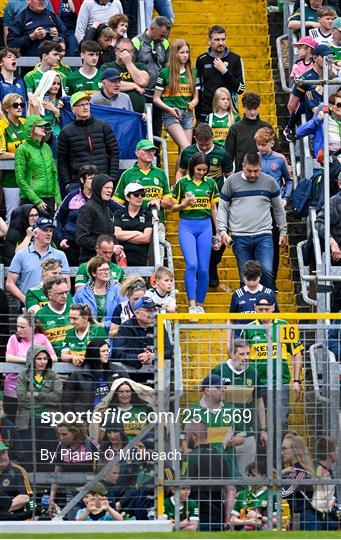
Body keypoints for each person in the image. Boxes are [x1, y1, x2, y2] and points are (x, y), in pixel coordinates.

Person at [217, 152, 287, 291]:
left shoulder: (270, 182)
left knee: (266, 271)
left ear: (260, 167)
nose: (253, 174)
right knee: (246, 276)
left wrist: (283, 231)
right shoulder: (231, 182)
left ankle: (269, 307)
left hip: (264, 235)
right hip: (239, 236)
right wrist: (223, 232)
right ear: (243, 166)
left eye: (256, 171)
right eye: (249, 171)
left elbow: (278, 209)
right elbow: (223, 208)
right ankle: (246, 310)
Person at [239, 294, 304, 437]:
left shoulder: (284, 326)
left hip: (280, 383)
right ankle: (261, 458)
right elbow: (239, 356)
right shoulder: (248, 329)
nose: (263, 312)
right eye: (260, 309)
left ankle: (277, 457)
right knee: (257, 425)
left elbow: (297, 353)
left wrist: (297, 381)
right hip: (256, 385)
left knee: (280, 422)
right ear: (255, 308)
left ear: (273, 308)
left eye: (266, 309)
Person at [211, 341, 268, 476]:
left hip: (246, 433)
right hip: (222, 434)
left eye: (248, 353)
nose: (246, 357)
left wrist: (263, 429)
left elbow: (259, 402)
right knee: (222, 477)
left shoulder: (252, 372)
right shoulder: (219, 371)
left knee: (245, 476)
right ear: (232, 354)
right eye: (242, 354)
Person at [172, 152, 219, 313]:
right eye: (198, 169)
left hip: (205, 226)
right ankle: (191, 305)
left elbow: (213, 208)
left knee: (204, 269)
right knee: (192, 264)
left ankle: (200, 304)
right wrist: (184, 204)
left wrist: (218, 231)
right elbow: (172, 207)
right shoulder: (183, 183)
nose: (201, 172)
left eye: (204, 170)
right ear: (192, 167)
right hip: (187, 225)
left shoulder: (211, 183)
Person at [113, 139, 172, 261]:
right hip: (132, 223)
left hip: (156, 222)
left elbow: (170, 202)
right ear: (137, 153)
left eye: (153, 151)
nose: (151, 153)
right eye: (147, 151)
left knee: (158, 259)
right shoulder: (128, 174)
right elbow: (117, 202)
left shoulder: (160, 173)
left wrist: (159, 202)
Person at [57, 92, 119, 191]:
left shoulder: (103, 126)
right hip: (77, 183)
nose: (85, 107)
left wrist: (111, 179)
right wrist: (67, 183)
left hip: (102, 181)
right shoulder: (66, 132)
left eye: (87, 104)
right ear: (73, 109)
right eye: (81, 105)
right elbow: (62, 161)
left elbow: (114, 154)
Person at [255, 126, 292, 288]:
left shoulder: (280, 159)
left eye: (264, 144)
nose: (261, 148)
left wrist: (285, 198)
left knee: (274, 245)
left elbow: (289, 180)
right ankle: (257, 280)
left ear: (272, 142)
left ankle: (272, 281)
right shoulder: (253, 158)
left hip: (274, 208)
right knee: (257, 243)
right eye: (258, 145)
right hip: (256, 209)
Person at [15, 345, 62, 471]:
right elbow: (22, 398)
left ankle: (46, 487)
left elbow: (58, 397)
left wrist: (38, 395)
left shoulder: (52, 375)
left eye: (45, 359)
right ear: (32, 359)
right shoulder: (23, 375)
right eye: (39, 359)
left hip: (48, 421)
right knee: (29, 453)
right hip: (28, 421)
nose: (42, 362)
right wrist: (46, 399)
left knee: (48, 453)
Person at [4, 314, 56, 425]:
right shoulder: (14, 339)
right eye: (18, 326)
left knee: (33, 423)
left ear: (32, 327)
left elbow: (54, 357)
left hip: (36, 388)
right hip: (13, 388)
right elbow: (8, 357)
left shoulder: (41, 338)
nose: (19, 329)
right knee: (14, 422)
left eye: (22, 327)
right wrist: (29, 360)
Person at [181, 421, 233, 531]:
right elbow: (230, 491)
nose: (185, 438)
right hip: (218, 520)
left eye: (186, 434)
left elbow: (181, 488)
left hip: (194, 521)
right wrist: (227, 521)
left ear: (194, 435)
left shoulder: (189, 458)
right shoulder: (222, 457)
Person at [6, 217, 70, 305]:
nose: (49, 234)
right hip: (27, 307)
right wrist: (26, 300)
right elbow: (9, 284)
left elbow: (67, 284)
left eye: (50, 231)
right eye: (45, 230)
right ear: (35, 233)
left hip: (53, 307)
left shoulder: (60, 255)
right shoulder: (21, 254)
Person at [154, 38, 199, 153]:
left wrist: (193, 103)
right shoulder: (165, 72)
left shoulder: (193, 72)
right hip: (171, 114)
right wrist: (169, 109)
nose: (185, 55)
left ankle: (180, 172)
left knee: (184, 152)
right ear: (175, 54)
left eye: (187, 52)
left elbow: (196, 97)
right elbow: (156, 99)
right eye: (182, 52)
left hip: (188, 115)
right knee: (187, 149)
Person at [48, 421, 100, 520]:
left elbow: (101, 468)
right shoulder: (62, 446)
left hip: (91, 491)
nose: (61, 437)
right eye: (59, 434)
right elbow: (56, 474)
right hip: (72, 492)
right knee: (74, 523)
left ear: (75, 432)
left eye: (64, 434)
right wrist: (51, 498)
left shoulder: (89, 444)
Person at [132, 16, 172, 139]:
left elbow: (167, 66)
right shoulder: (136, 42)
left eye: (165, 36)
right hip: (142, 95)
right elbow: (131, 68)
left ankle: (157, 158)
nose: (163, 38)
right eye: (161, 35)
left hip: (158, 96)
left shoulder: (164, 43)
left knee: (157, 132)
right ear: (152, 28)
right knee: (142, 132)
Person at [195, 24, 246, 122]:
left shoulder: (235, 59)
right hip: (206, 113)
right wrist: (199, 116)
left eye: (223, 39)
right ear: (209, 41)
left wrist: (224, 71)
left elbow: (241, 89)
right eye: (217, 40)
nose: (221, 43)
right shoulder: (202, 60)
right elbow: (198, 89)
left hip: (229, 114)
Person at [111, 295, 173, 374]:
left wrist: (153, 356)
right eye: (148, 311)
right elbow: (117, 353)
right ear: (137, 313)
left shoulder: (159, 326)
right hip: (130, 375)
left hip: (155, 376)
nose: (153, 313)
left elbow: (169, 351)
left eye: (154, 310)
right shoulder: (125, 327)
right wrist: (138, 357)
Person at [286, 44, 335, 140]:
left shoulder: (332, 75)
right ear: (315, 58)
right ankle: (290, 128)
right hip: (315, 123)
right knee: (307, 95)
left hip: (332, 121)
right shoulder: (305, 78)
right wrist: (299, 123)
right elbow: (291, 105)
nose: (328, 60)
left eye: (330, 57)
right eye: (325, 57)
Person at [15, 115, 61, 217]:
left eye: (45, 126)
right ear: (31, 128)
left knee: (48, 231)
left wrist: (57, 198)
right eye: (40, 126)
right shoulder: (22, 149)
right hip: (30, 200)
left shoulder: (47, 147)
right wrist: (37, 200)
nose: (44, 128)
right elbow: (20, 179)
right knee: (31, 231)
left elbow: (54, 174)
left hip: (49, 199)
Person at [227, 259, 279, 350]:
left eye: (254, 279)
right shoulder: (237, 294)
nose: (251, 282)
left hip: (262, 341)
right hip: (241, 341)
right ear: (243, 277)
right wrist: (228, 343)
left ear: (260, 276)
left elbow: (277, 318)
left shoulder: (269, 293)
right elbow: (231, 320)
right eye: (248, 279)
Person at [63, 338, 125, 413]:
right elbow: (67, 400)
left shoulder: (118, 371)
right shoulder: (78, 375)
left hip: (112, 417)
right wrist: (72, 418)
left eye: (107, 350)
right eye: (103, 351)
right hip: (85, 417)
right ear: (94, 353)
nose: (107, 353)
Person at [54, 165, 97, 266]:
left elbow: (119, 210)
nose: (94, 181)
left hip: (92, 245)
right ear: (82, 180)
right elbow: (57, 219)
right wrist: (60, 239)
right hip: (71, 244)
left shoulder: (101, 198)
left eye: (96, 178)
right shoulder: (71, 196)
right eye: (91, 178)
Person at [76, 174, 121, 262]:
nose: (110, 191)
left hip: (107, 261)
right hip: (90, 261)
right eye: (106, 188)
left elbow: (110, 235)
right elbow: (81, 238)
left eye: (111, 188)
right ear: (97, 188)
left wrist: (117, 246)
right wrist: (109, 247)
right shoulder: (87, 208)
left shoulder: (108, 209)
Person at [225, 92, 273, 173]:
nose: (252, 112)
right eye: (249, 109)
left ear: (259, 107)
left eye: (255, 108)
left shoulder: (267, 127)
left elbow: (275, 152)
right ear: (243, 107)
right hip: (241, 173)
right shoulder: (235, 129)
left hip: (264, 172)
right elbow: (228, 156)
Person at [73, 255, 123, 331]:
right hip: (89, 334)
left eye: (108, 269)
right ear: (93, 273)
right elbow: (73, 314)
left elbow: (124, 314)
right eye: (103, 270)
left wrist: (105, 325)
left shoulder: (118, 290)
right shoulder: (82, 292)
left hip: (113, 333)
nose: (106, 272)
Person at [176, 123, 233, 190]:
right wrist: (178, 186)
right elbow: (181, 172)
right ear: (195, 138)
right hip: (192, 192)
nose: (204, 148)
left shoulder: (223, 153)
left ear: (212, 137)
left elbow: (229, 175)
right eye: (201, 145)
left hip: (215, 194)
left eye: (207, 144)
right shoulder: (187, 152)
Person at [101, 37, 149, 113]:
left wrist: (128, 63)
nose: (125, 54)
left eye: (128, 51)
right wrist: (135, 86)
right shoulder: (107, 67)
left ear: (132, 53)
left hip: (138, 114)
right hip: (116, 112)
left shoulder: (140, 66)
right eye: (123, 51)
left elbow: (143, 82)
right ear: (116, 51)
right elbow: (108, 85)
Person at [315, 171, 341, 310]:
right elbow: (319, 222)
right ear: (339, 184)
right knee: (338, 298)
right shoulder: (333, 202)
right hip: (338, 258)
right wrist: (332, 241)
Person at [0, 92, 26, 223]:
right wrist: (19, 155)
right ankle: (10, 242)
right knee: (13, 214)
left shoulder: (25, 123)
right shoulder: (2, 126)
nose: (19, 107)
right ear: (6, 108)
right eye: (15, 104)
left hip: (28, 178)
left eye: (21, 104)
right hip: (11, 179)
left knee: (28, 214)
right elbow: (1, 153)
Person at [281, 433, 315, 530]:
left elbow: (284, 493)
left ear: (295, 450)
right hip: (297, 517)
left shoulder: (301, 472)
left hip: (307, 520)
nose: (282, 452)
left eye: (284, 448)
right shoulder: (292, 471)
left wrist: (280, 474)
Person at [231, 458, 277, 530]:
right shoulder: (242, 494)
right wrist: (247, 522)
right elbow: (232, 520)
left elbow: (277, 522)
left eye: (253, 475)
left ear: (263, 475)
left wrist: (259, 517)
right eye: (248, 475)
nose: (250, 478)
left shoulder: (272, 495)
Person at [114, 182, 153, 266]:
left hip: (140, 258)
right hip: (121, 257)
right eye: (136, 194)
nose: (140, 197)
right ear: (128, 197)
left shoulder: (147, 214)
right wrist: (137, 233)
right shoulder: (119, 213)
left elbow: (146, 238)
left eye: (142, 194)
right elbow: (117, 234)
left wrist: (124, 236)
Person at [36, 276, 72, 358]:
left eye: (66, 292)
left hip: (75, 358)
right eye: (60, 293)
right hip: (51, 360)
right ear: (50, 295)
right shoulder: (40, 315)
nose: (64, 296)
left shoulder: (74, 311)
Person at [296, 92, 341, 156]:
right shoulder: (322, 121)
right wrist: (317, 120)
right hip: (327, 157)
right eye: (339, 105)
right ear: (331, 107)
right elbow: (299, 132)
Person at [310, 436, 339, 530]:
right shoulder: (322, 473)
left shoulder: (320, 468)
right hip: (324, 520)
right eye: (336, 450)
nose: (338, 453)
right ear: (331, 454)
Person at [0, 442, 32, 519]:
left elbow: (25, 497)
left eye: (3, 453)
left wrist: (3, 510)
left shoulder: (17, 471)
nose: (2, 457)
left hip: (14, 516)